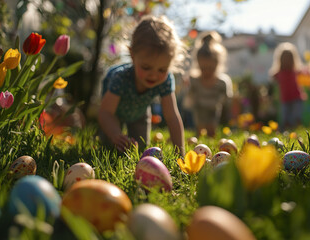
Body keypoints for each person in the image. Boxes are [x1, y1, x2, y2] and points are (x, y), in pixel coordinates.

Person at [97, 15, 185, 155]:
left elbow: (172, 117)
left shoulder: (165, 80)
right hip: (113, 114)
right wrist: (115, 135)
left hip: (140, 113)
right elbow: (105, 112)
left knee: (141, 147)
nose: (154, 75)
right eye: (146, 67)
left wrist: (180, 153)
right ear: (132, 55)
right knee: (109, 146)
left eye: (162, 69)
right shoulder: (120, 77)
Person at [186, 31, 233, 137]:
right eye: (203, 68)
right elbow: (189, 98)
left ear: (218, 64)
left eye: (211, 68)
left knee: (211, 129)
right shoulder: (195, 81)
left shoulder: (221, 82)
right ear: (197, 64)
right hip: (199, 110)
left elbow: (227, 99)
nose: (207, 72)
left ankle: (211, 141)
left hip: (213, 111)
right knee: (199, 128)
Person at [268, 42, 306, 130]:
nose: (287, 61)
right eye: (284, 58)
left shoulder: (296, 71)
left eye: (289, 58)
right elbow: (272, 77)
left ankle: (296, 129)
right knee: (285, 116)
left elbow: (305, 73)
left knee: (296, 115)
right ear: (280, 60)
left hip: (296, 98)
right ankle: (285, 129)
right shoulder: (279, 73)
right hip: (285, 99)